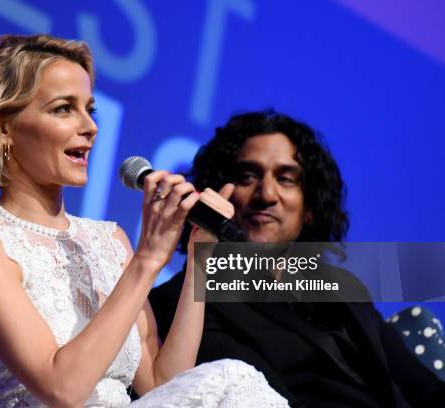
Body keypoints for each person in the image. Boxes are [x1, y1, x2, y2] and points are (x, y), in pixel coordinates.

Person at [0, 34, 289, 407]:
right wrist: (148, 259)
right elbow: (61, 390)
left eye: (90, 109)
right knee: (232, 376)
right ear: (5, 126)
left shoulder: (109, 241)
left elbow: (162, 385)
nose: (89, 126)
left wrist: (199, 256)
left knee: (228, 379)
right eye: (63, 109)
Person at [149, 110, 445, 407]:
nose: (266, 194)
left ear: (310, 207)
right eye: (248, 176)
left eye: (286, 179)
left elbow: (423, 387)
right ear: (216, 193)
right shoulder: (181, 306)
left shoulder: (342, 291)